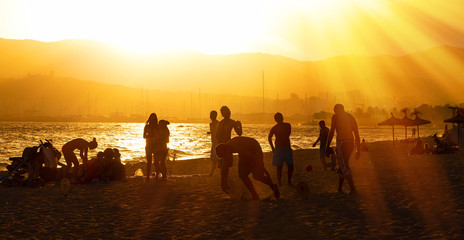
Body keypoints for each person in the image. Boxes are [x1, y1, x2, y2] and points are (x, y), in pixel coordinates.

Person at [326, 104, 360, 194]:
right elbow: (356, 133)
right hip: (350, 143)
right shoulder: (350, 117)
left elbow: (332, 131)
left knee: (344, 165)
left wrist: (327, 146)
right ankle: (340, 188)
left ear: (336, 110)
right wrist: (358, 149)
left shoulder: (335, 116)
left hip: (342, 143)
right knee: (341, 165)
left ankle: (353, 189)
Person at [268, 112, 294, 186]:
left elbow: (288, 134)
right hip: (278, 148)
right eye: (278, 118)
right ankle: (279, 182)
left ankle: (289, 181)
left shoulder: (287, 125)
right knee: (279, 167)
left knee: (291, 166)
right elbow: (269, 137)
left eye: (281, 117)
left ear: (282, 118)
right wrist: (272, 148)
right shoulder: (274, 128)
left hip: (286, 148)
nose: (280, 119)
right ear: (276, 119)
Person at [143, 113, 158, 181]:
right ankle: (148, 176)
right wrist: (150, 137)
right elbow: (144, 136)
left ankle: (157, 175)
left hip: (155, 145)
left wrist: (154, 138)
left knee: (156, 161)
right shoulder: (147, 126)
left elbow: (159, 136)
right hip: (149, 144)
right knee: (149, 162)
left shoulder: (158, 126)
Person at [208, 110, 220, 176]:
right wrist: (210, 133)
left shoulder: (217, 123)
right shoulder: (211, 124)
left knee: (215, 158)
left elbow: (217, 132)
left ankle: (212, 173)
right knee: (215, 158)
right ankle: (212, 172)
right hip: (214, 142)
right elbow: (214, 132)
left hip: (216, 142)